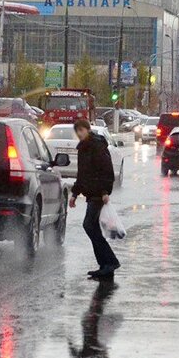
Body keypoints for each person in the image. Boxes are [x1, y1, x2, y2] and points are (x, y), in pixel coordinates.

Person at [69, 117, 121, 280]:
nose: (79, 133)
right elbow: (82, 174)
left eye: (81, 130)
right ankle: (106, 265)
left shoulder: (97, 146)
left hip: (98, 193)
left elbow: (106, 170)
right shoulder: (83, 148)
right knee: (92, 227)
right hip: (91, 193)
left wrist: (105, 191)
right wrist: (75, 193)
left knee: (89, 225)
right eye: (77, 131)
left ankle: (110, 262)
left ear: (88, 129)